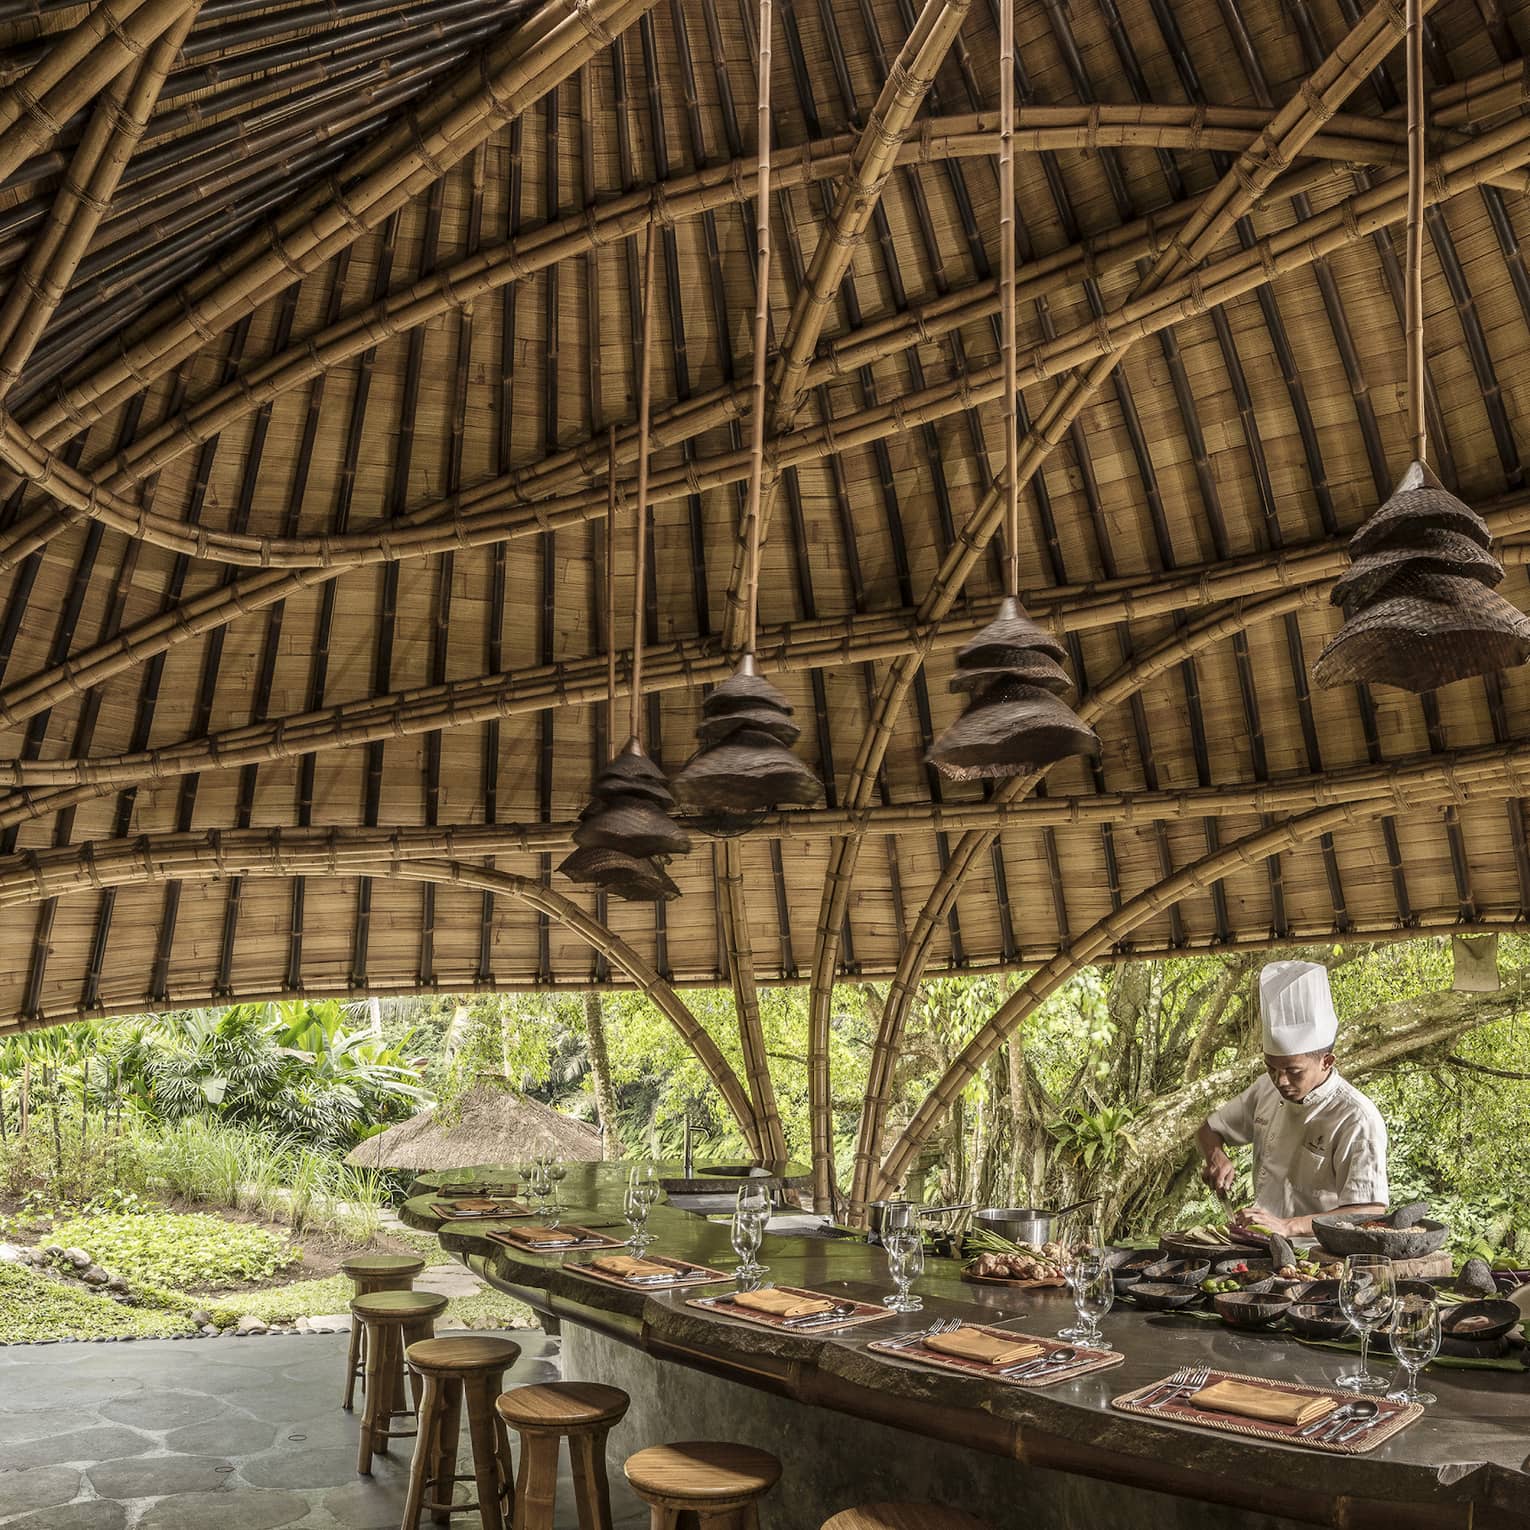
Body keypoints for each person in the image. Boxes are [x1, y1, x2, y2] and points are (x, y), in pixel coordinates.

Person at [1195, 960, 1389, 1238]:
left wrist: (1288, 1226)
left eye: (1293, 1071)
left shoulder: (1356, 1118)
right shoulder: (1266, 1088)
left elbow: (1368, 1211)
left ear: (1327, 1061)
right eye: (1271, 1068)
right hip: (1260, 1243)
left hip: (1320, 1254)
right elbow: (1210, 1129)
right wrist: (1215, 1156)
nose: (1280, 1080)